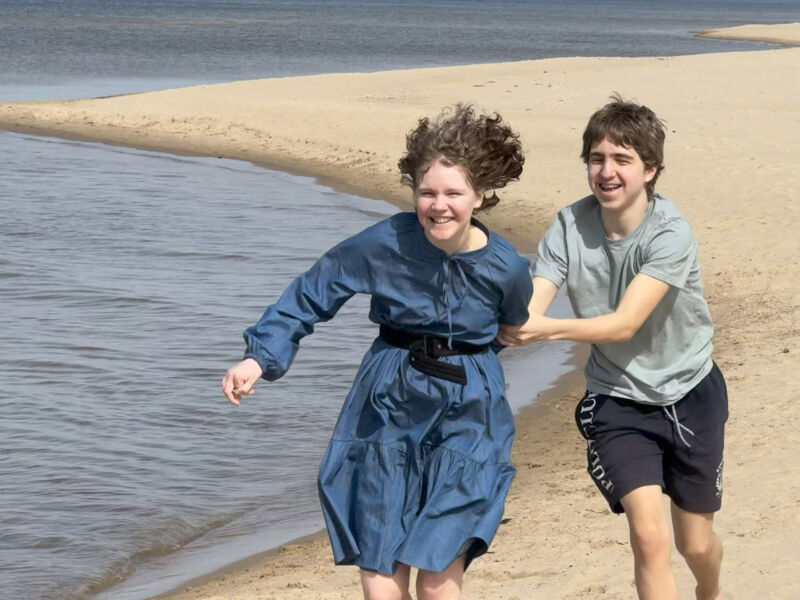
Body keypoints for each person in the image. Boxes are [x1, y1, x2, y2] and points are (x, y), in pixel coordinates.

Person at [222, 104, 532, 600]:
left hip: (471, 407)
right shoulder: (386, 241)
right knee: (381, 574)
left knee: (437, 582)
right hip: (389, 397)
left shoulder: (507, 267)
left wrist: (470, 354)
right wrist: (259, 357)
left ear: (480, 195)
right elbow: (314, 290)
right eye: (427, 193)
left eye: (453, 193)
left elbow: (509, 326)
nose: (438, 206)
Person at [499, 95, 727, 600]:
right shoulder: (568, 225)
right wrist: (514, 326)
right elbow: (534, 303)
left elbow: (625, 324)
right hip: (616, 399)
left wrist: (545, 331)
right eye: (597, 159)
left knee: (695, 545)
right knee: (649, 538)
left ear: (650, 170)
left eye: (622, 159)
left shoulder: (670, 233)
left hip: (691, 392)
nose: (606, 172)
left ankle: (710, 592)